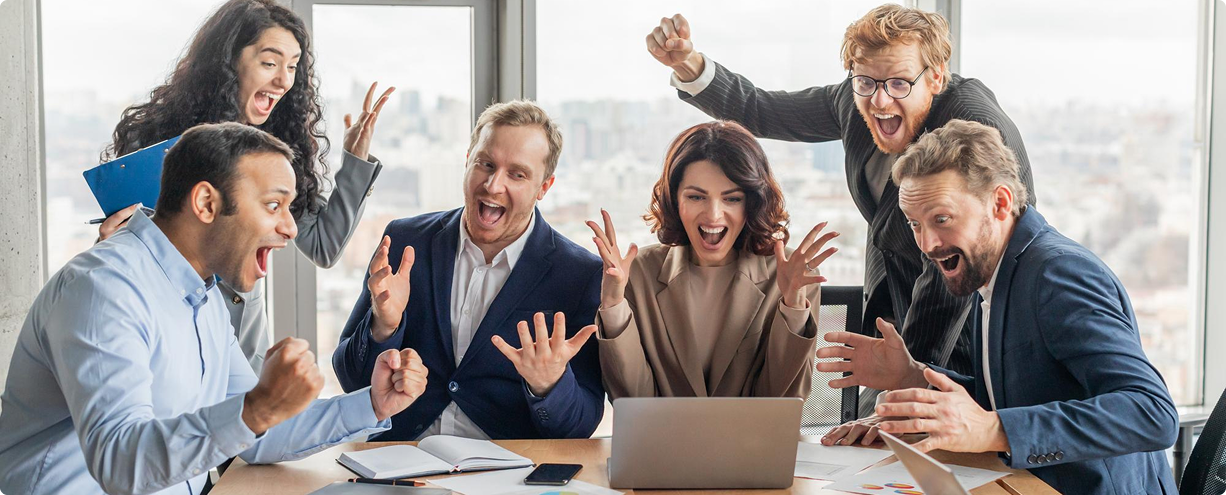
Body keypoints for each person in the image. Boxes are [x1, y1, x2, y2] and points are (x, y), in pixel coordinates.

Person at [0, 123, 427, 495]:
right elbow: (119, 461)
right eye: (274, 205)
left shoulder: (204, 299)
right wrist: (256, 408)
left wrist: (373, 403)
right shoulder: (104, 288)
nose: (291, 228)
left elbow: (256, 432)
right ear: (206, 203)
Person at [645, 5, 1036, 385]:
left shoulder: (974, 129)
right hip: (897, 308)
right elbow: (762, 110)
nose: (880, 102)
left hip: (977, 330)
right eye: (865, 82)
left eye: (899, 83)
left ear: (935, 78)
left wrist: (909, 380)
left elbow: (958, 267)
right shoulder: (856, 99)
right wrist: (689, 65)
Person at [816, 120, 1177, 493]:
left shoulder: (1058, 274)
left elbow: (1151, 413)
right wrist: (912, 375)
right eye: (915, 225)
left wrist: (993, 429)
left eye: (942, 219)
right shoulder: (989, 270)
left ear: (1000, 203)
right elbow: (1016, 396)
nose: (927, 243)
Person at [97, 0, 394, 373]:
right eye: (270, 63)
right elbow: (130, 250)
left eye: (292, 66)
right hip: (168, 334)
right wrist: (110, 248)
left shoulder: (274, 151)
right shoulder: (152, 142)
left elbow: (323, 245)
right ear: (228, 62)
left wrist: (355, 159)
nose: (285, 80)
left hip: (243, 341)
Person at [333, 100, 605, 441]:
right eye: (486, 164)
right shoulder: (404, 241)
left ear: (544, 188)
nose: (493, 185)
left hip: (506, 473)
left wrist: (548, 384)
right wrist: (383, 327)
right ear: (467, 161)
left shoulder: (579, 275)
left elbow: (580, 424)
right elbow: (350, 379)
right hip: (399, 462)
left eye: (517, 174)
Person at [591, 121, 834, 399]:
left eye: (731, 199)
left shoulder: (791, 275)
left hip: (752, 442)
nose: (713, 215)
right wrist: (613, 306)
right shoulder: (638, 273)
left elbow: (781, 401)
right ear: (674, 200)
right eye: (696, 197)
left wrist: (792, 306)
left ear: (752, 203)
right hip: (663, 442)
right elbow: (632, 400)